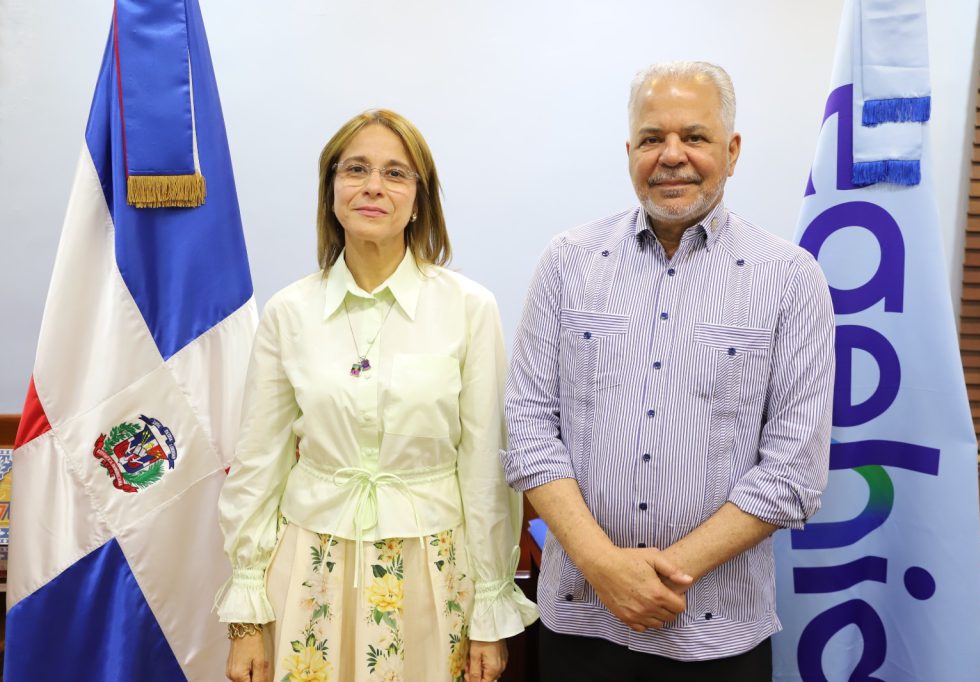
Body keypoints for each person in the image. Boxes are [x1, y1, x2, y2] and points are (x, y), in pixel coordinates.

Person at [502, 61, 835, 680]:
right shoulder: (567, 263)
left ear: (732, 152)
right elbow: (527, 428)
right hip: (579, 619)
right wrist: (604, 567)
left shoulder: (791, 279)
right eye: (653, 138)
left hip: (717, 634)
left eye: (696, 137)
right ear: (630, 151)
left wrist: (654, 578)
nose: (672, 155)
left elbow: (793, 472)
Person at [216, 109, 537, 682]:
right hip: (311, 568)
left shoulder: (468, 308)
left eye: (395, 173)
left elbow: (486, 467)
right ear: (330, 189)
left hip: (431, 571)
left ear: (420, 197)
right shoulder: (289, 312)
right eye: (356, 169)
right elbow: (258, 465)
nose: (373, 187)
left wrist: (490, 608)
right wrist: (245, 621)